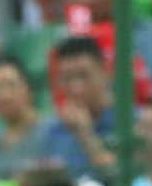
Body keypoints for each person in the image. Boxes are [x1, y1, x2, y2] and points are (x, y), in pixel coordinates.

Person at [41, 35, 115, 178]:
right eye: (67, 79)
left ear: (105, 73)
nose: (76, 88)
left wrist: (85, 135)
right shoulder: (54, 132)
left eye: (83, 76)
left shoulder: (133, 123)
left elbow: (120, 181)